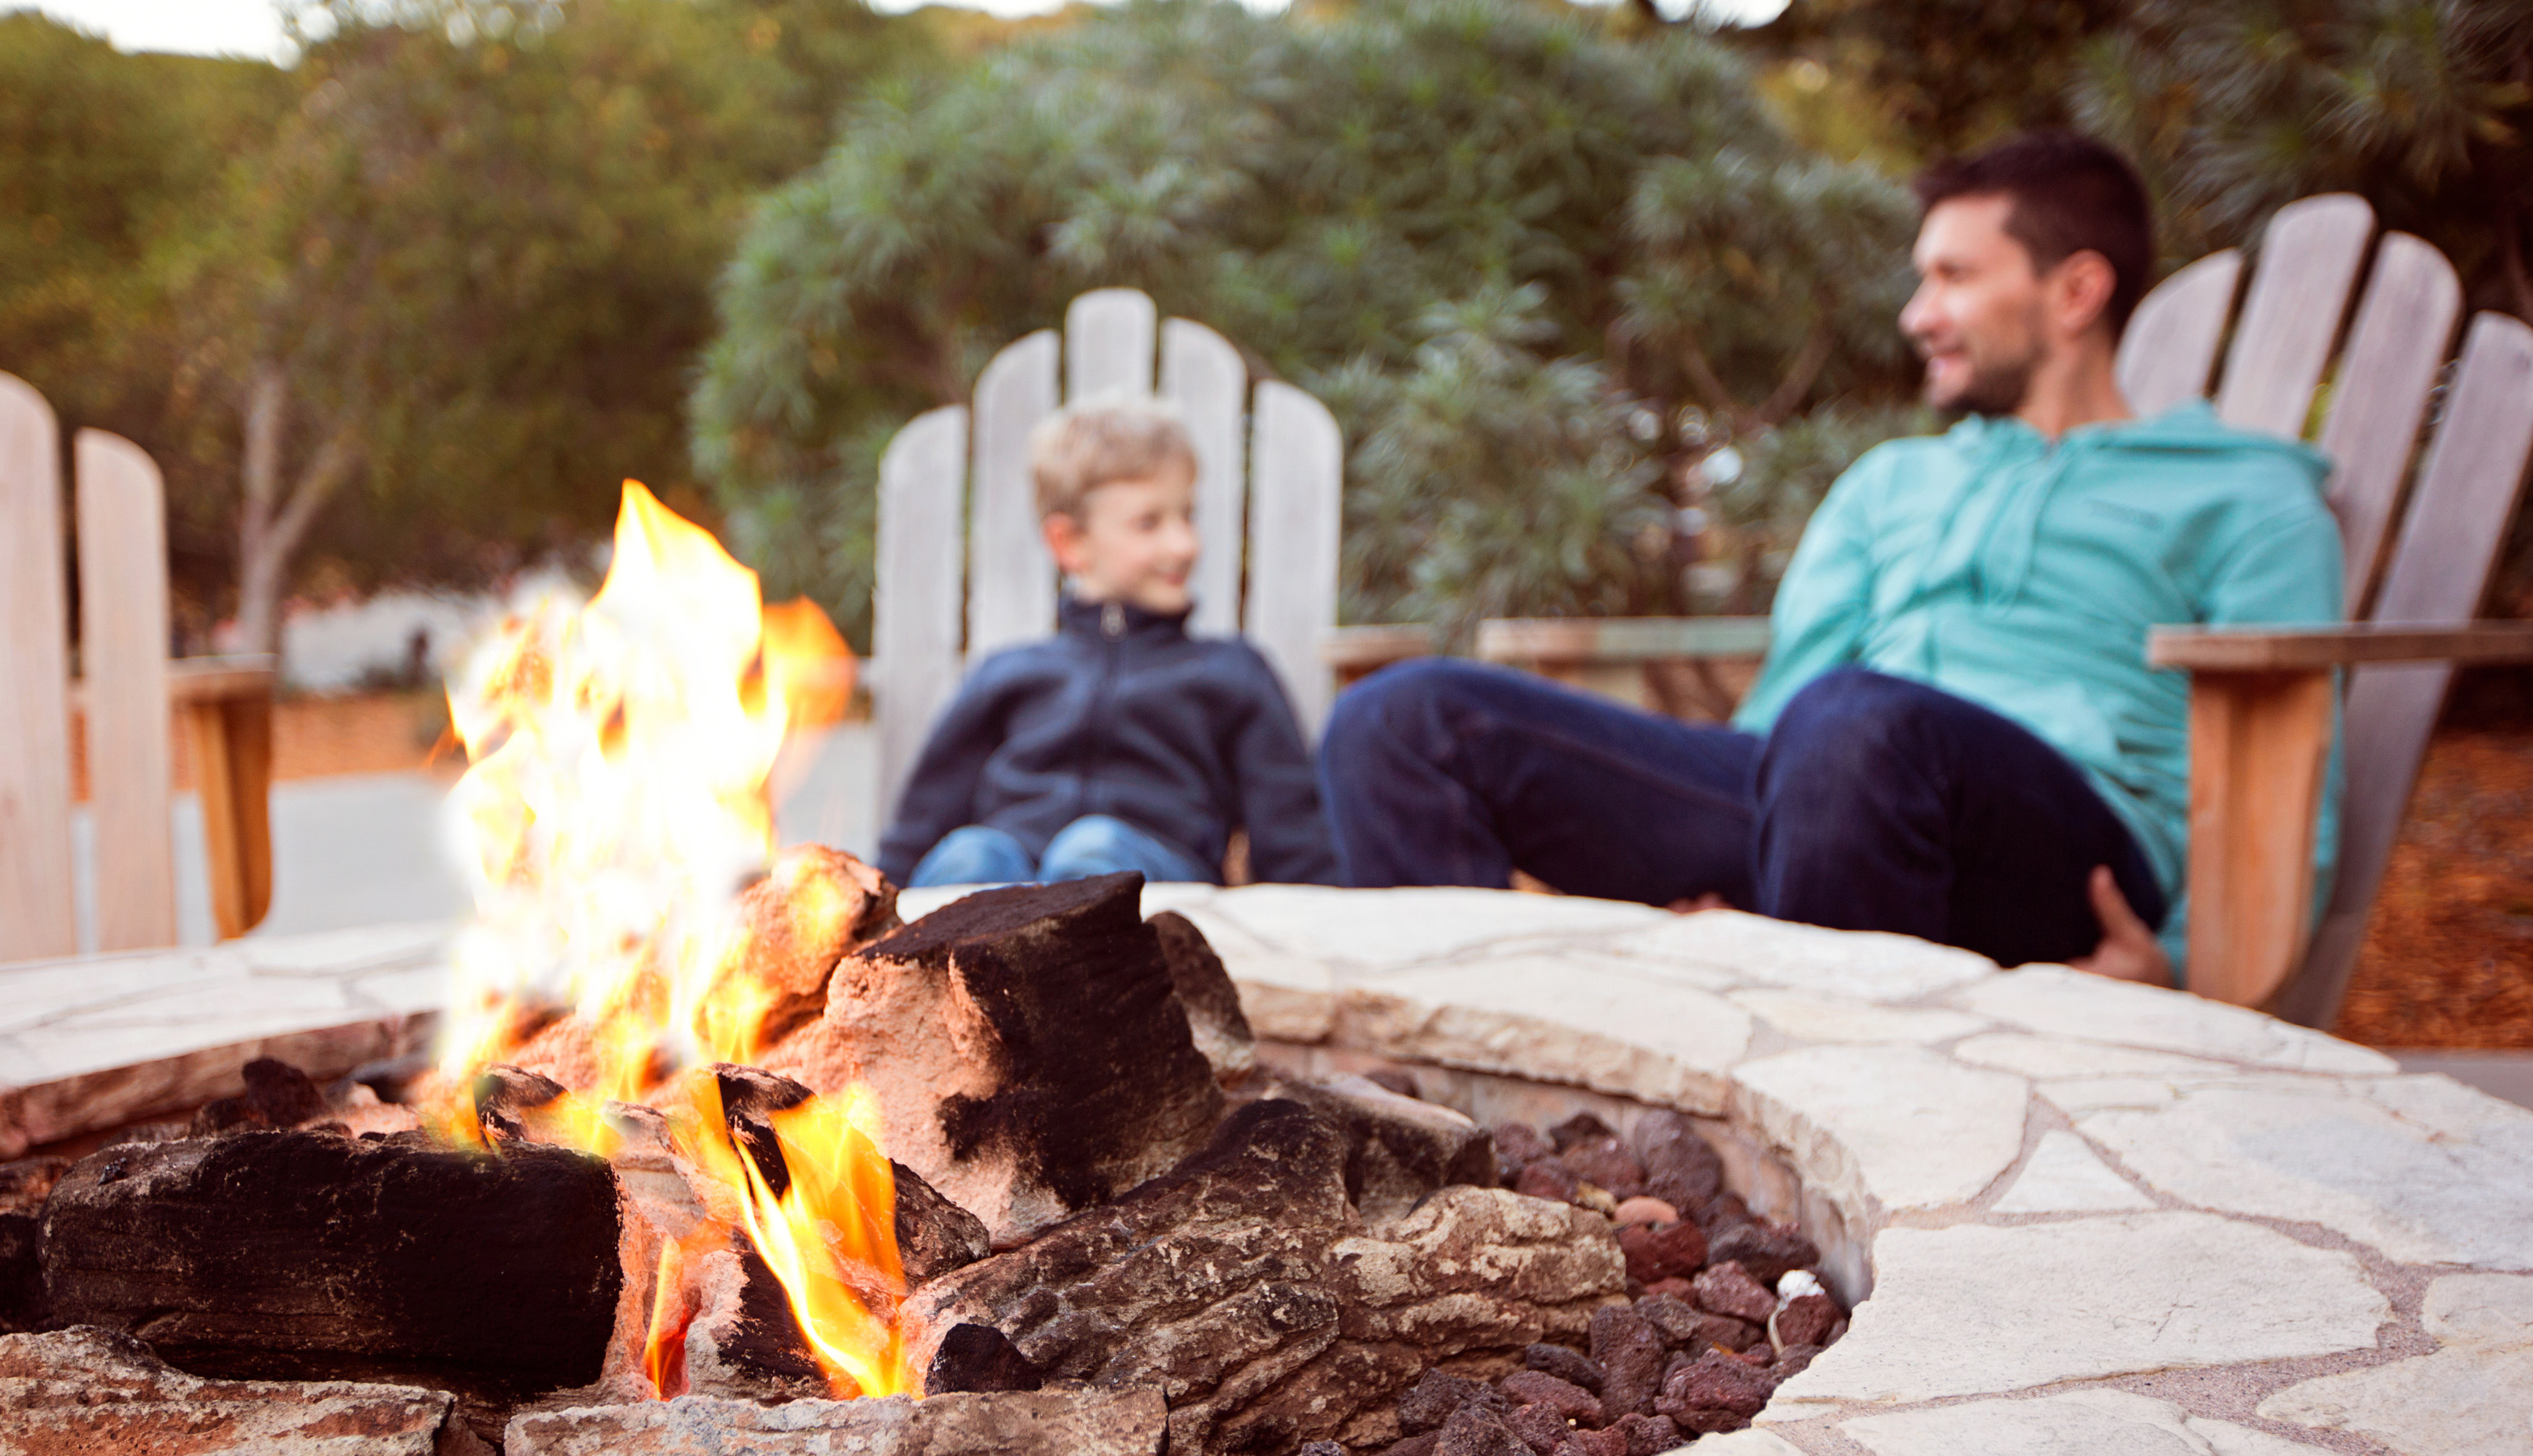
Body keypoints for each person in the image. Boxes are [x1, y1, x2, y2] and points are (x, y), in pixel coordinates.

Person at [1319, 131, 2343, 984]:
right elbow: (1786, 710)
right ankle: (1492, 1121)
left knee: (1857, 726)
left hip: (2067, 855)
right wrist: (1738, 842)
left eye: (1952, 277)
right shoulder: (1890, 484)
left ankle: (1832, 1106)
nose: (1917, 315)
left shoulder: (2245, 495)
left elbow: (2298, 776)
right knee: (1400, 720)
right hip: (1829, 787)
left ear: (2074, 292)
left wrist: (2176, 964)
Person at [879, 397, 1340, 889]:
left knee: (1093, 850)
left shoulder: (1233, 673)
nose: (1184, 544)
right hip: (1006, 895)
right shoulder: (1007, 674)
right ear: (1069, 543)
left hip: (1156, 893)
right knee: (970, 855)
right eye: (1149, 523)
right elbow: (919, 830)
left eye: (1188, 515)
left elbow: (1296, 846)